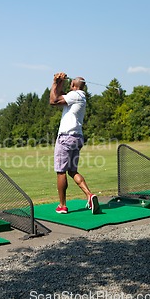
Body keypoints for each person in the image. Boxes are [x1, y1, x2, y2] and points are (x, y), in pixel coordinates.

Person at [49, 72, 101, 214]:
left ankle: (62, 205)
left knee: (61, 172)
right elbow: (60, 95)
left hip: (66, 137)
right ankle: (90, 195)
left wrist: (55, 82)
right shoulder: (80, 96)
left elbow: (53, 100)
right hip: (77, 137)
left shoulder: (75, 95)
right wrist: (60, 82)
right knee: (72, 171)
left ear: (73, 85)